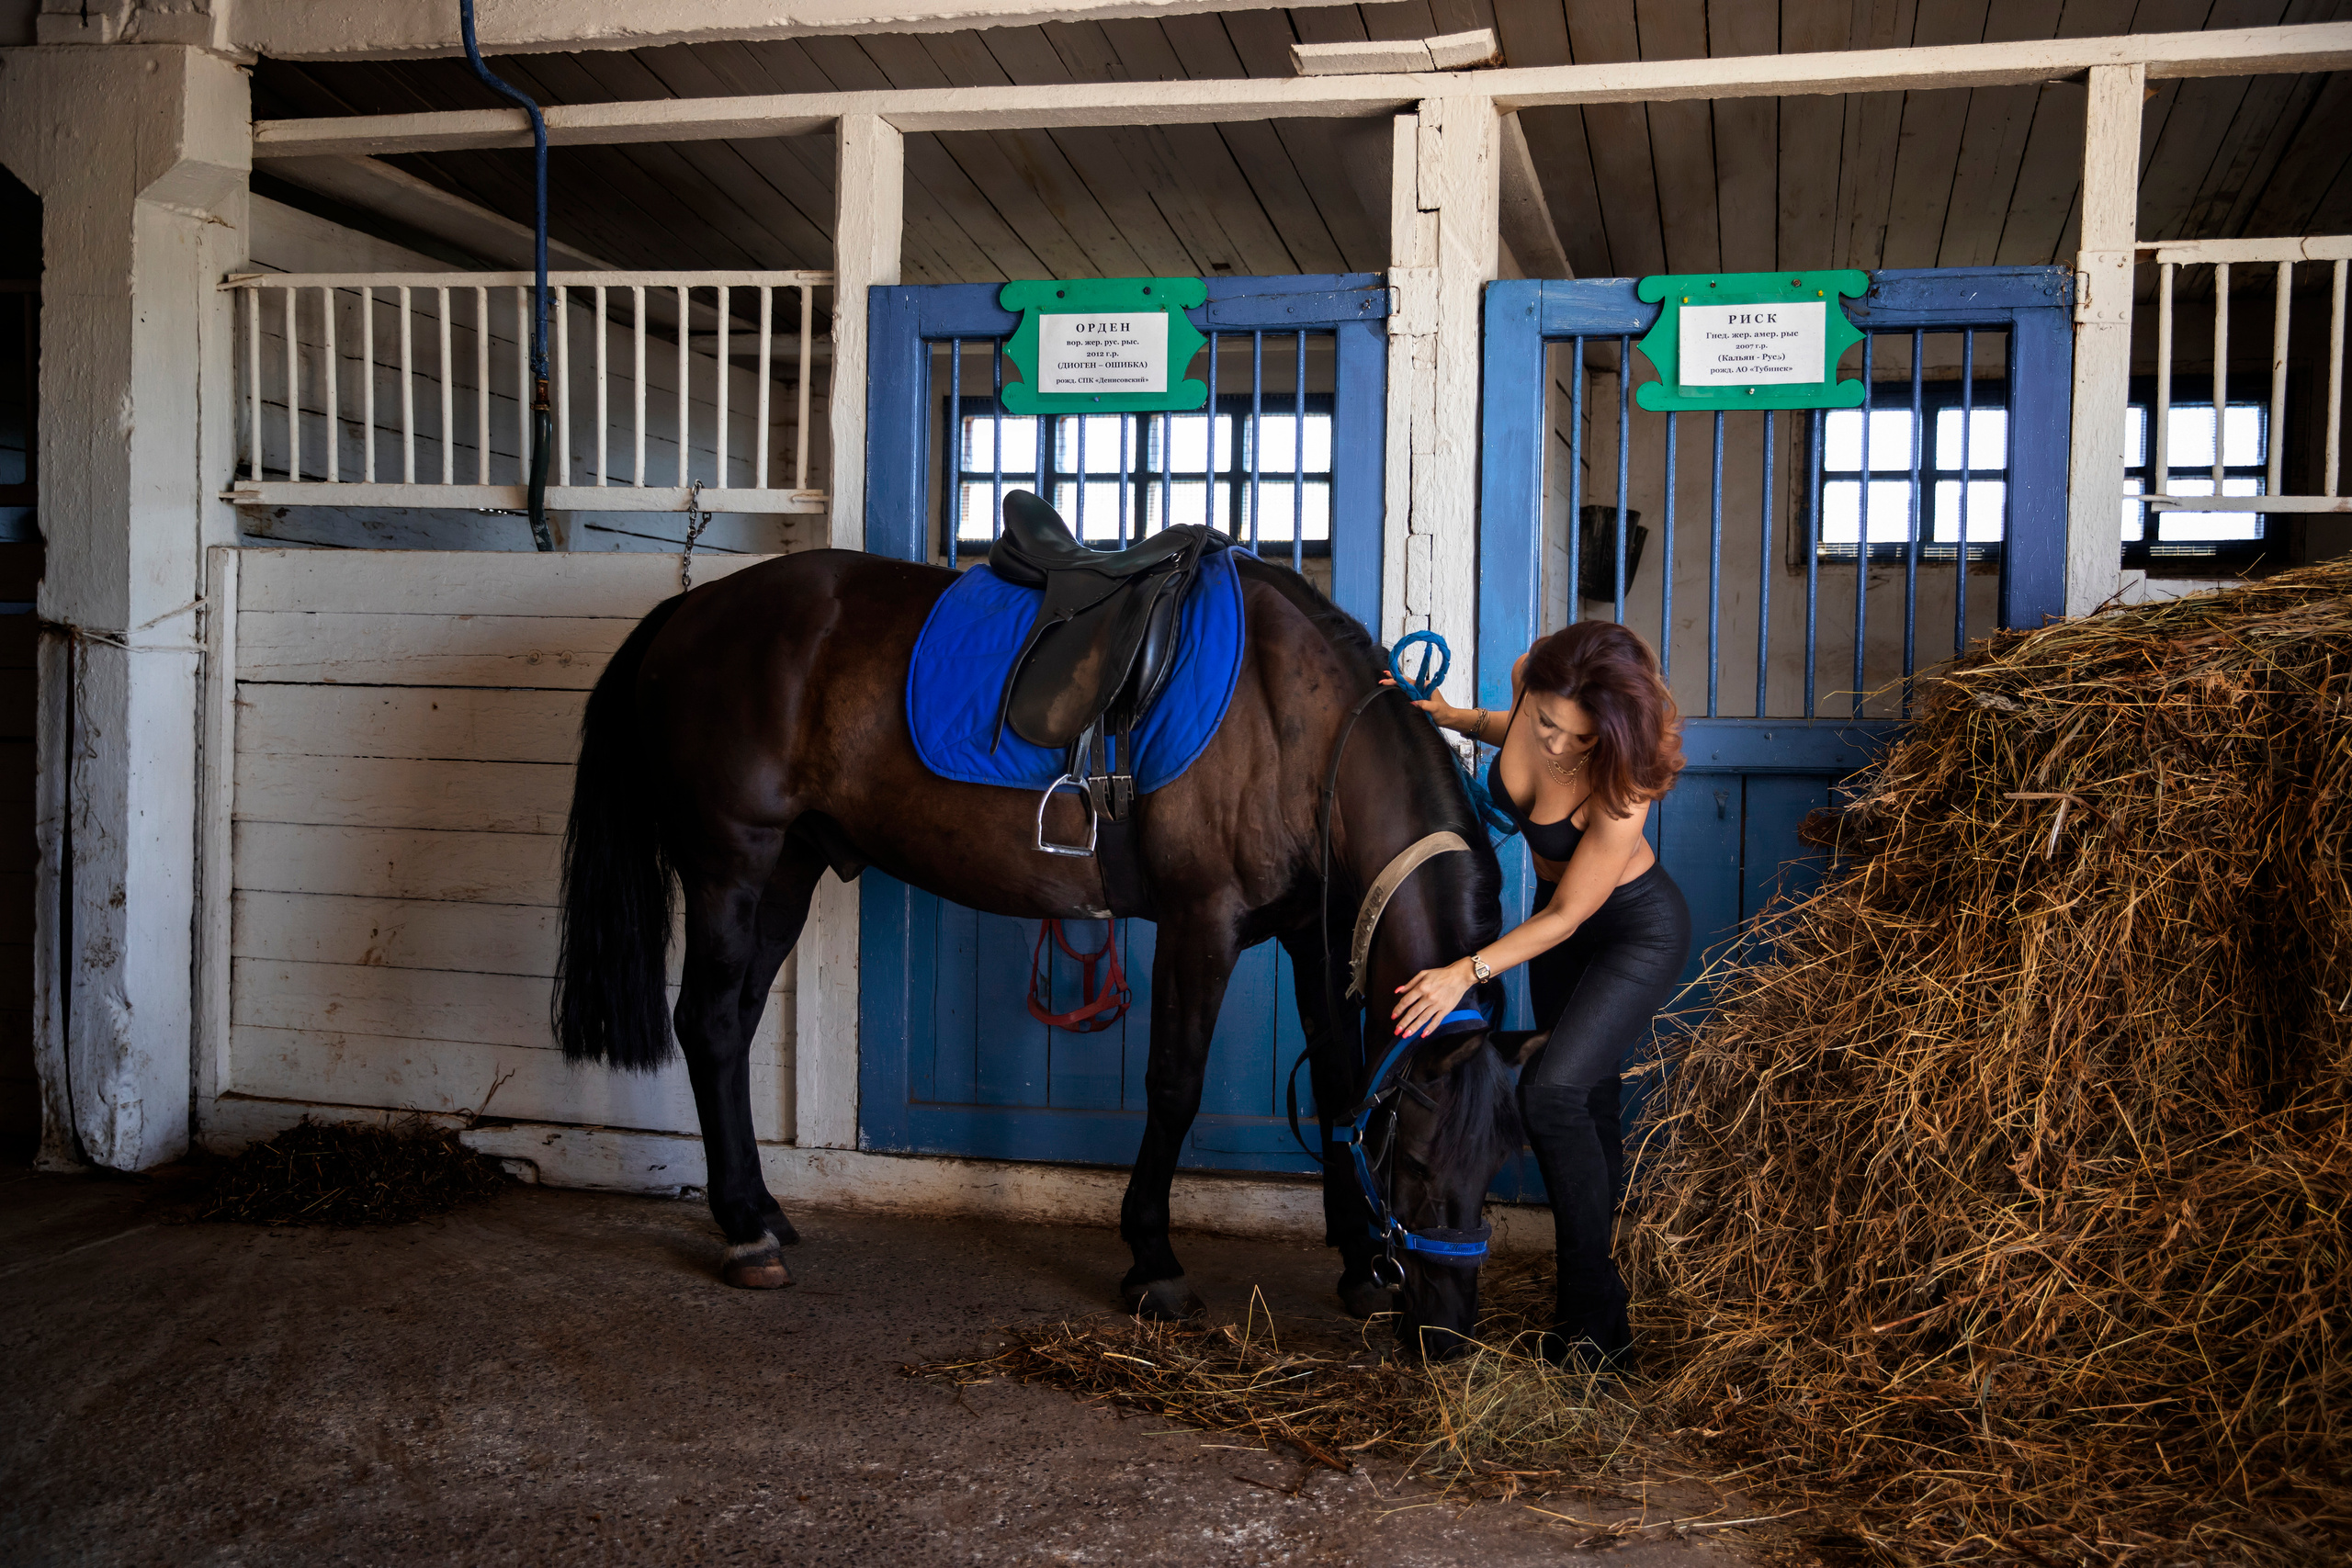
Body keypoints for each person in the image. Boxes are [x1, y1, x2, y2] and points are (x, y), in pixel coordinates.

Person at [1387, 621, 1690, 1371]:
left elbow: (1565, 915)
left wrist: (1465, 971)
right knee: (1587, 1102)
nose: (1554, 746)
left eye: (1577, 740)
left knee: (1553, 1096)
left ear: (1611, 734)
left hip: (1628, 929)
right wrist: (1457, 718)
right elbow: (1513, 728)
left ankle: (1595, 1326)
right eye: (1547, 723)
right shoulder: (1533, 675)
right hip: (1563, 932)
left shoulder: (1627, 784)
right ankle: (1595, 1284)